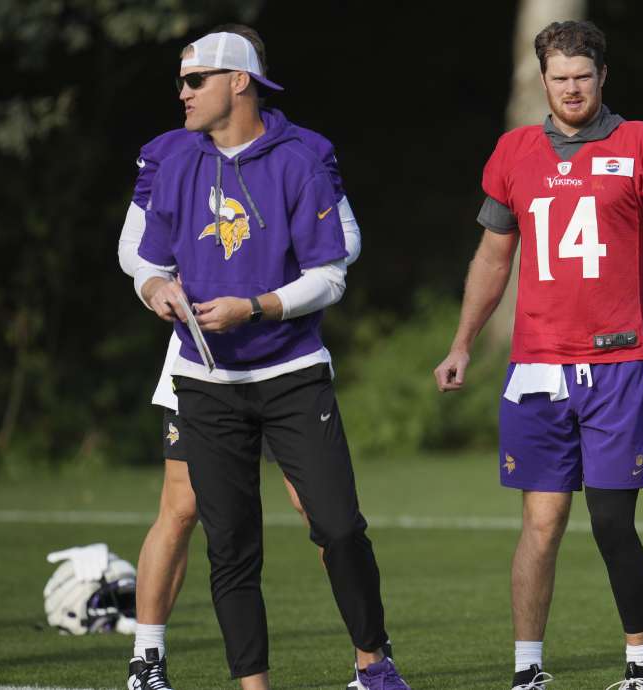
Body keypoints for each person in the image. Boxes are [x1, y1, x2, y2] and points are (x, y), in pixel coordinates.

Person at [433, 20, 643, 690]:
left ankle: (642, 667)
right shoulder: (513, 153)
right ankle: (528, 669)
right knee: (542, 520)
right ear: (543, 81)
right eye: (560, 78)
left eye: (583, 76)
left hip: (619, 363)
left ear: (602, 76)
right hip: (537, 366)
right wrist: (463, 343)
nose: (573, 88)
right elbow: (493, 259)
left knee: (612, 519)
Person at [135, 29, 409, 690]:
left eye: (195, 79)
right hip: (204, 380)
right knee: (224, 542)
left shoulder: (300, 158)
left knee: (338, 528)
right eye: (181, 80)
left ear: (239, 81)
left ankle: (373, 662)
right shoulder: (174, 159)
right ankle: (224, 679)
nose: (182, 92)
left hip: (290, 375)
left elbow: (333, 268)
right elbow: (143, 254)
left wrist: (253, 306)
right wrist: (153, 285)